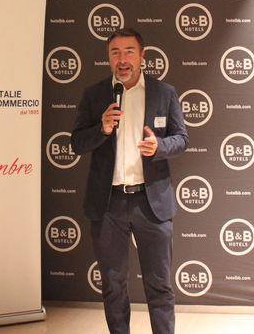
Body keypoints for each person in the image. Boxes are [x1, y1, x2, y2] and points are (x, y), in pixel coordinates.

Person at [71, 27, 188, 334]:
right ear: (108, 57)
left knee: (159, 284)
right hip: (108, 205)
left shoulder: (164, 93)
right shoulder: (95, 95)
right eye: (115, 53)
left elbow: (181, 139)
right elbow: (76, 143)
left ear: (142, 56)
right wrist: (101, 129)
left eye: (129, 52)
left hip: (152, 203)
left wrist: (159, 147)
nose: (122, 60)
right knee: (113, 285)